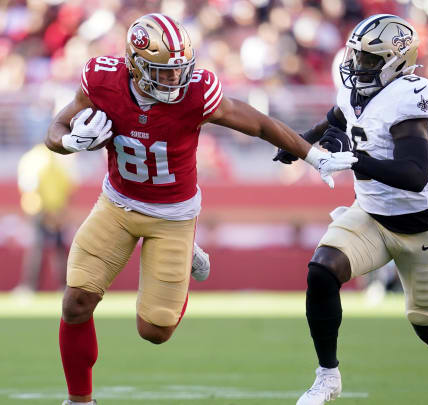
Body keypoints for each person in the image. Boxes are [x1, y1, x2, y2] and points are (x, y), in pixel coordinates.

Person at [43, 13, 357, 405]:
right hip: (117, 204)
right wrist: (71, 141)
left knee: (154, 331)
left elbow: (256, 123)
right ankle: (79, 401)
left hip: (173, 215)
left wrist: (313, 155)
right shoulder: (102, 79)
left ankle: (183, 249)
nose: (175, 80)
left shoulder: (196, 92)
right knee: (76, 302)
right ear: (135, 65)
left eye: (179, 70)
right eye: (163, 72)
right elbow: (53, 131)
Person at [274, 14, 428, 405]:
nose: (357, 67)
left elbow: (415, 173)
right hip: (370, 213)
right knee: (322, 269)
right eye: (355, 57)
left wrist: (354, 160)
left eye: (370, 61)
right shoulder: (356, 88)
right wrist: (300, 142)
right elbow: (340, 115)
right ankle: (327, 376)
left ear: (397, 62)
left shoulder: (411, 96)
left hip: (421, 225)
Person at [13, 144, 74, 296]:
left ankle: (30, 287)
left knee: (37, 248)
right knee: (59, 250)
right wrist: (59, 210)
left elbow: (28, 186)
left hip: (39, 210)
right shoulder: (58, 160)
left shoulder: (31, 159)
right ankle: (66, 286)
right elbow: (67, 186)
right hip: (56, 210)